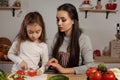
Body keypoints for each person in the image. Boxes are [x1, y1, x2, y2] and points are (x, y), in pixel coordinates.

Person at [47, 3, 94, 74]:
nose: (59, 23)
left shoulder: (84, 39)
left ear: (73, 21)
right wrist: (52, 62)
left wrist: (64, 70)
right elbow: (50, 56)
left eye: (63, 20)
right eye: (57, 20)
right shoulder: (57, 36)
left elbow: (90, 66)